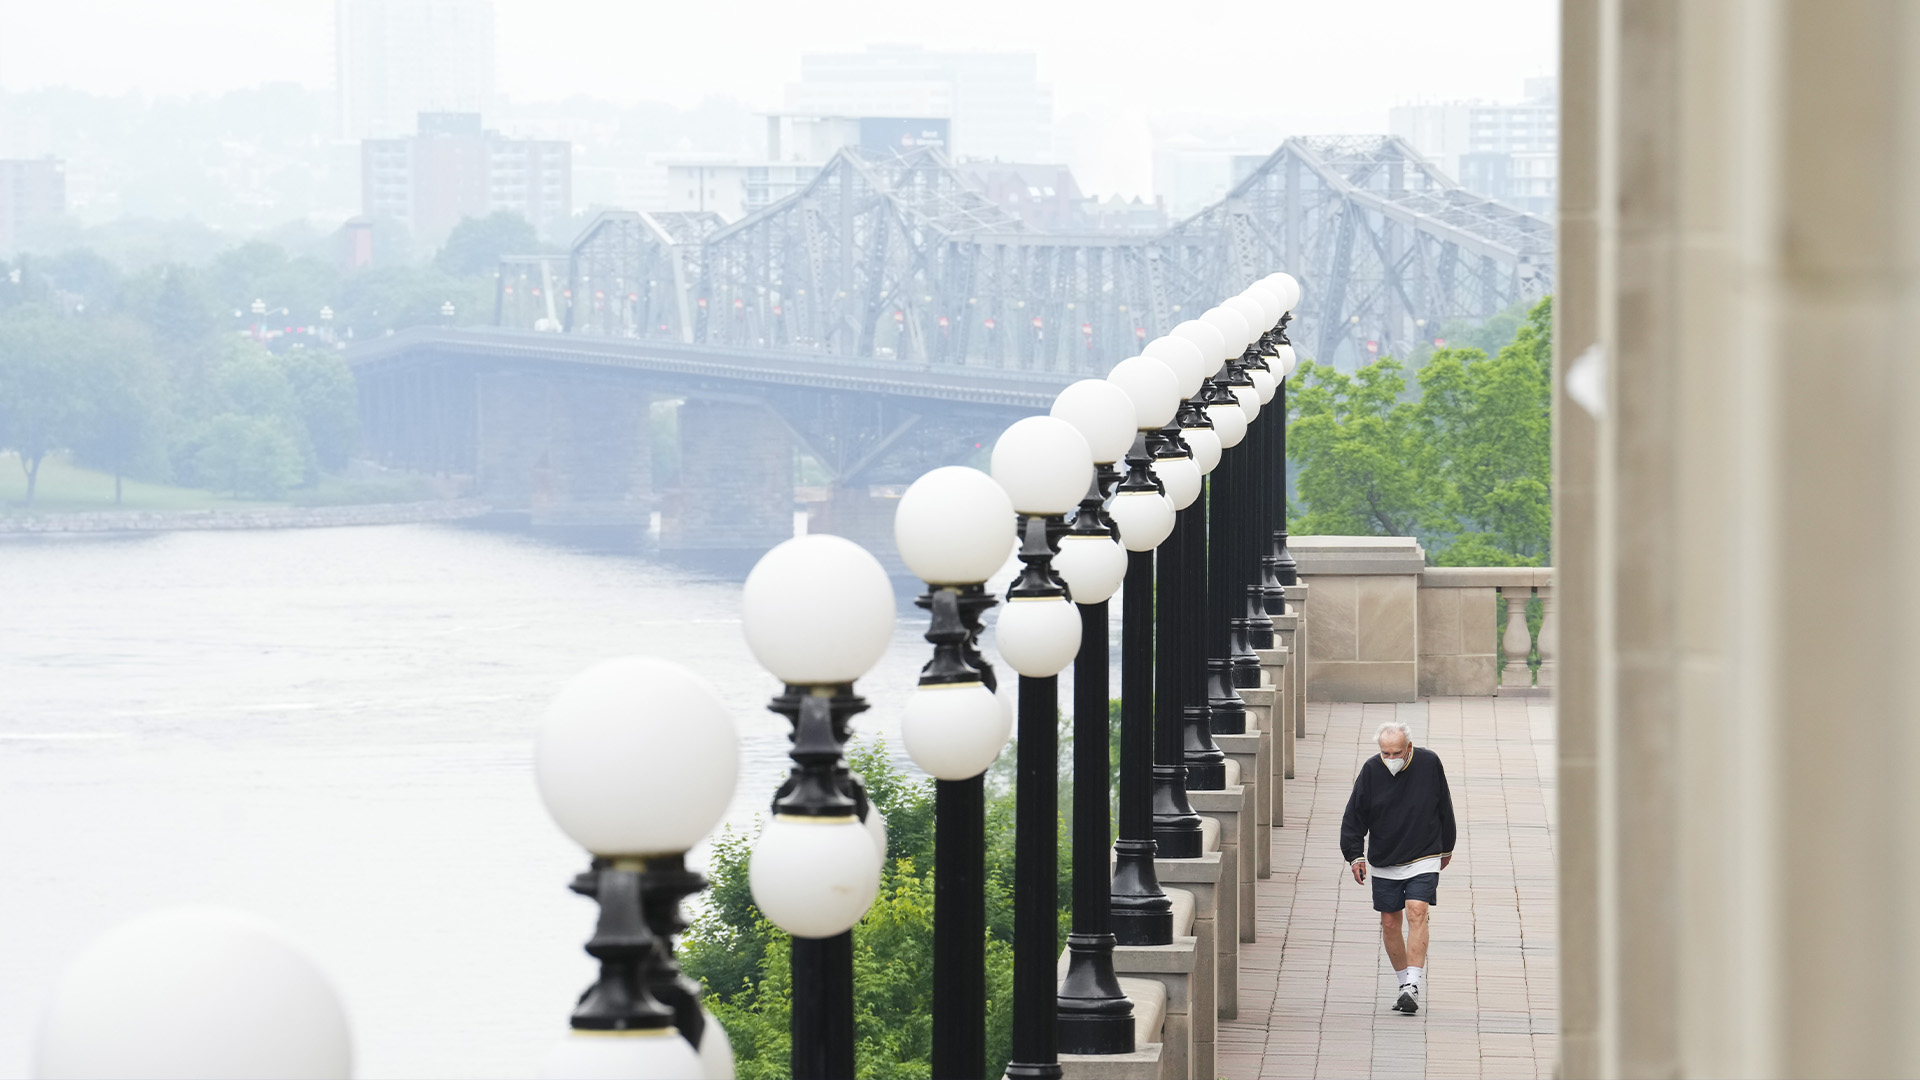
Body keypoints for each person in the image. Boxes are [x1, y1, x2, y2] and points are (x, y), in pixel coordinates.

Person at [1340, 719, 1456, 1015]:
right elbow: (1355, 815)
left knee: (1417, 909)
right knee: (1390, 922)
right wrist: (1355, 855)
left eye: (1396, 753)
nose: (1391, 759)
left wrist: (1447, 846)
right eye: (1386, 753)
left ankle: (1413, 985)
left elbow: (1444, 805)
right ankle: (1404, 984)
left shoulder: (1429, 764)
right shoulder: (1371, 770)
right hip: (1385, 856)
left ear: (1409, 748)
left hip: (1424, 852)